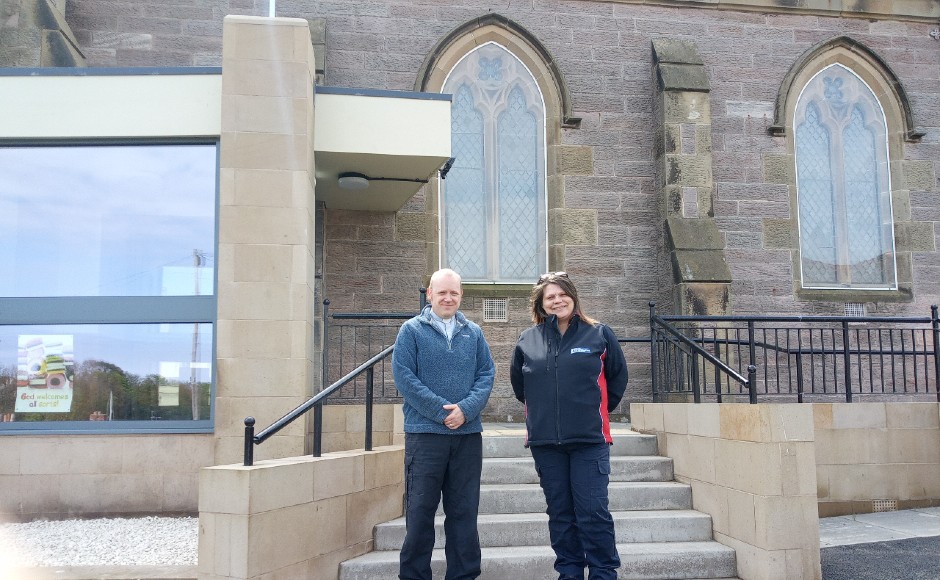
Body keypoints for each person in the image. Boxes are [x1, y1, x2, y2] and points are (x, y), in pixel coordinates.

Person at [510, 271, 628, 580]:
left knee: (593, 514)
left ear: (573, 298)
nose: (557, 300)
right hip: (546, 444)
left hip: (589, 441)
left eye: (563, 294)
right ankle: (570, 573)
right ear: (541, 303)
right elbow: (521, 386)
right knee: (561, 515)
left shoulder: (599, 334)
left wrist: (592, 411)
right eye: (550, 296)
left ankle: (603, 573)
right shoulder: (527, 339)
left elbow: (617, 379)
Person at [393, 268, 496, 580]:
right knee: (420, 513)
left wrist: (465, 410)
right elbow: (404, 378)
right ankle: (413, 575)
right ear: (430, 294)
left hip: (467, 436)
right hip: (425, 437)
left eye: (454, 293)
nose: (448, 298)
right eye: (442, 293)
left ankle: (464, 575)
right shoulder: (411, 331)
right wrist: (442, 411)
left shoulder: (474, 333)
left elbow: (486, 374)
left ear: (461, 295)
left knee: (464, 513)